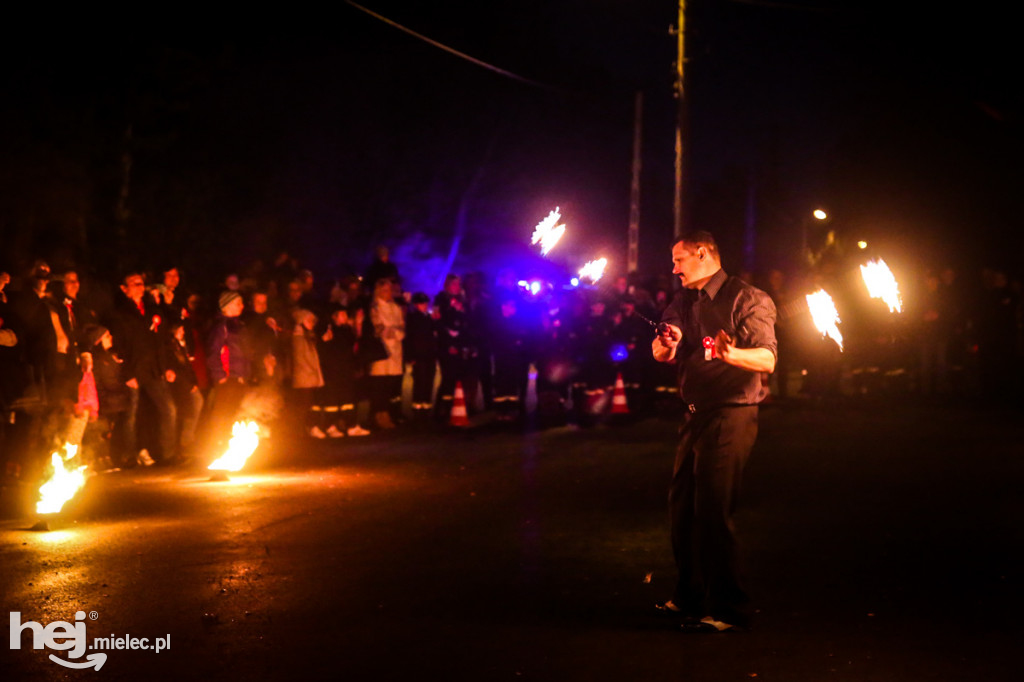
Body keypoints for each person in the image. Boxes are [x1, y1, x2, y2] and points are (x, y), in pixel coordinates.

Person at [652, 231, 777, 633]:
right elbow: (661, 351)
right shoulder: (683, 301)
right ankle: (689, 597)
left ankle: (729, 609)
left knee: (712, 511)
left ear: (703, 254)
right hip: (694, 417)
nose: (674, 269)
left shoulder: (748, 299)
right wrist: (667, 342)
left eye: (679, 260)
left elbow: (768, 359)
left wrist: (731, 354)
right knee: (681, 511)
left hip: (731, 414)